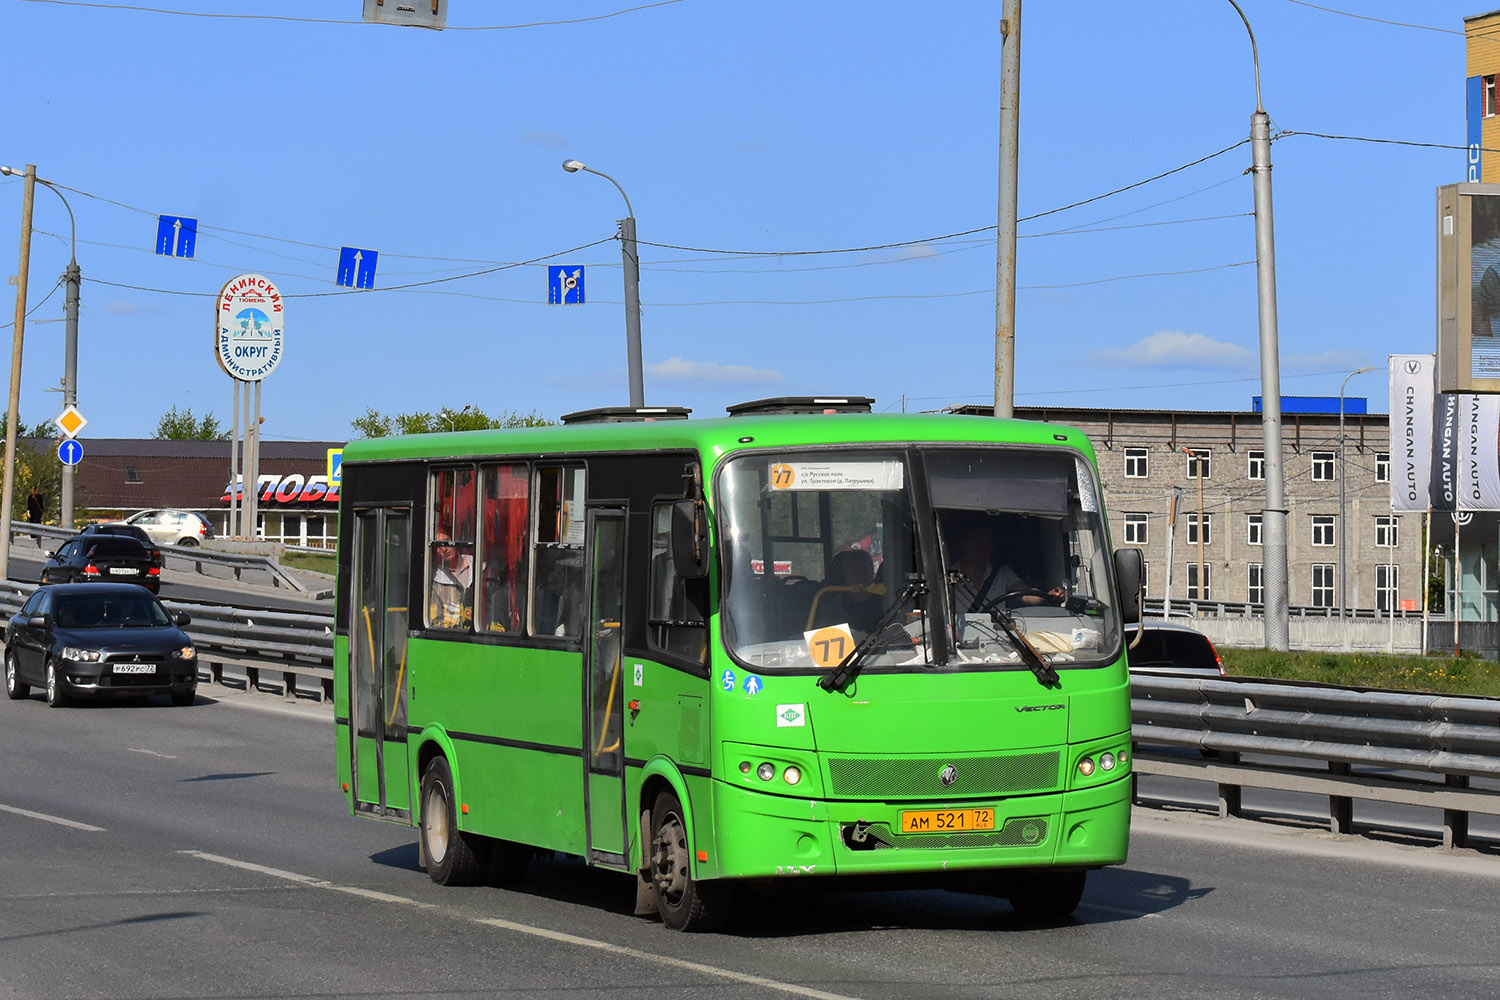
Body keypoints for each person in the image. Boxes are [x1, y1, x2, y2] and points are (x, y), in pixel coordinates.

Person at [949, 514, 1064, 611]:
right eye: (978, 539)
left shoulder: (1002, 572)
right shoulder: (947, 576)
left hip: (997, 630)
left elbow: (1027, 595)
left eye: (988, 540)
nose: (984, 545)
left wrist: (1047, 596)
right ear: (963, 542)